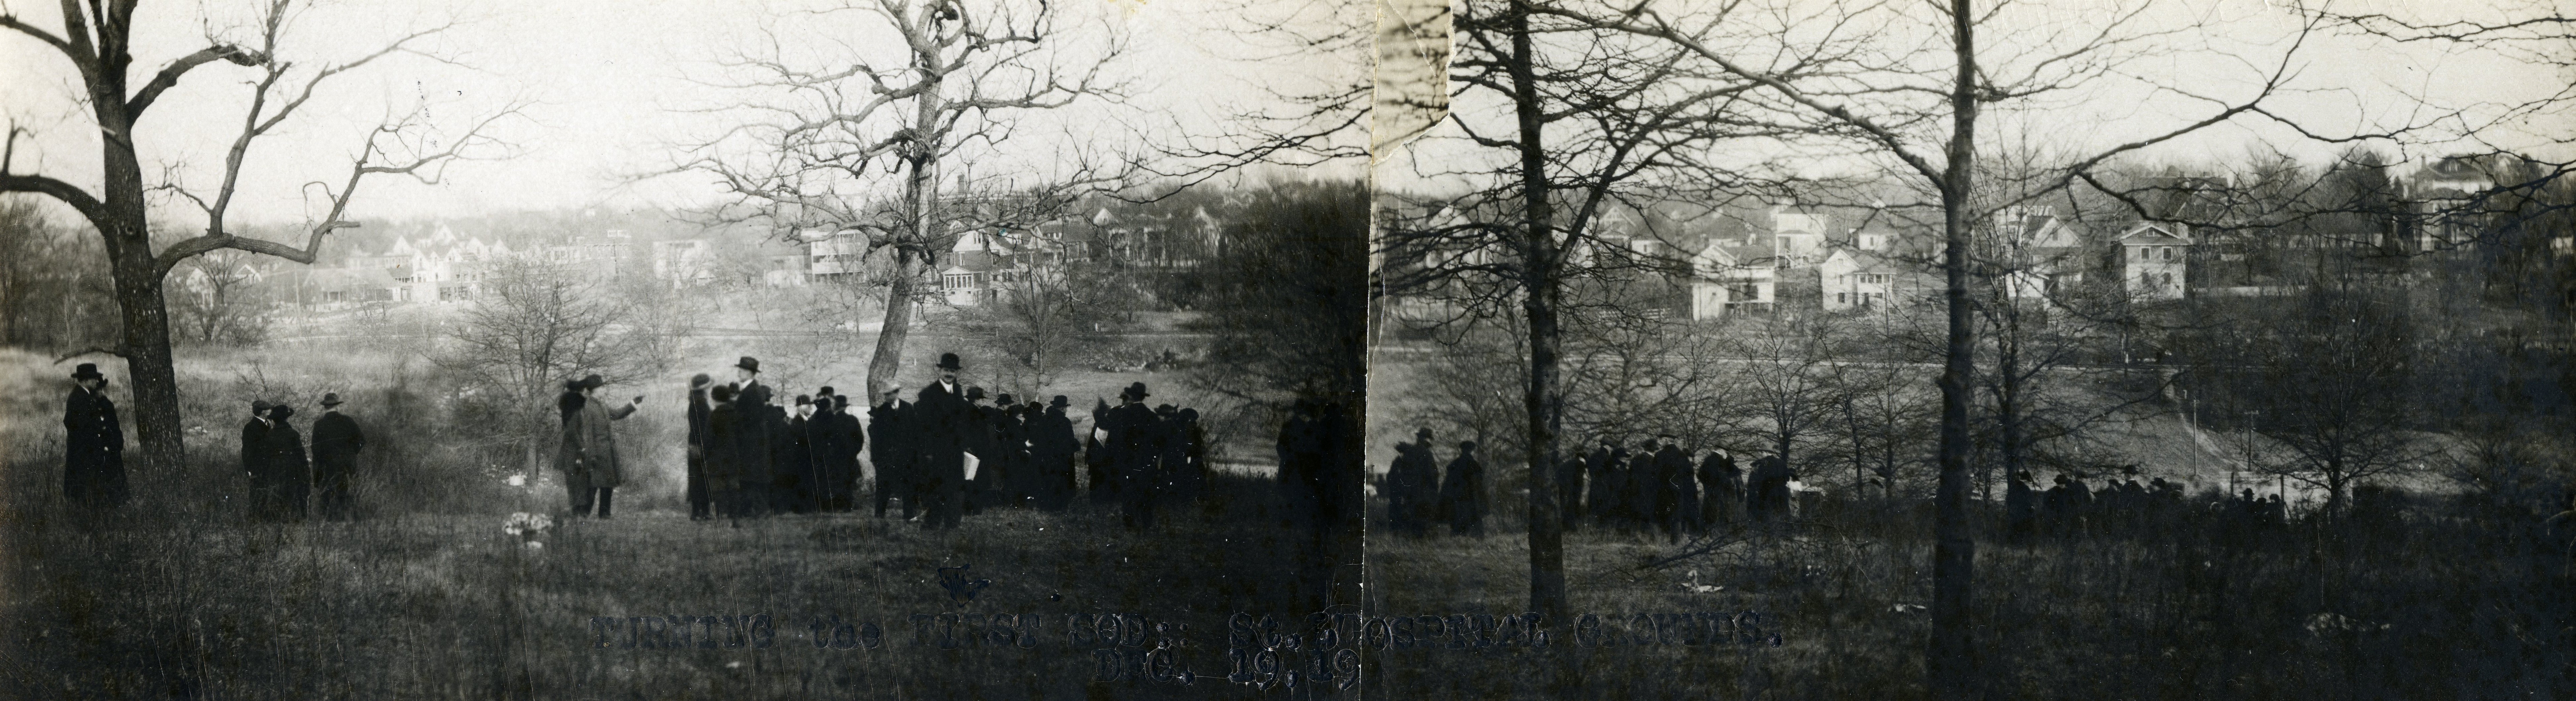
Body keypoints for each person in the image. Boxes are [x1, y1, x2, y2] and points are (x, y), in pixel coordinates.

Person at [560, 375, 640, 519]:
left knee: (608, 482)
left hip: (608, 451)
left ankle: (605, 514)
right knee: (594, 483)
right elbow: (588, 433)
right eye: (602, 387)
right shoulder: (587, 407)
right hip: (597, 451)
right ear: (596, 390)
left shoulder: (601, 405)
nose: (605, 390)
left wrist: (632, 404)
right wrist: (590, 454)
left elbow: (616, 415)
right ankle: (582, 513)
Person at [60, 363, 128, 514]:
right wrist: (101, 446)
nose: (97, 382)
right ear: (86, 380)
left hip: (90, 452)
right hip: (85, 453)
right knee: (88, 492)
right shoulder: (79, 398)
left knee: (94, 491)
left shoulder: (85, 396)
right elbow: (83, 429)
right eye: (93, 379)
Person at [915, 353, 972, 531]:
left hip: (956, 450)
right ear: (940, 371)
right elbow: (923, 427)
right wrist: (928, 451)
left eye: (953, 371)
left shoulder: (959, 391)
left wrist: (965, 444)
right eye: (947, 370)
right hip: (937, 450)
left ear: (957, 373)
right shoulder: (928, 394)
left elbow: (963, 421)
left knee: (956, 487)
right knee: (936, 487)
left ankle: (952, 524)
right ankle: (932, 523)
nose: (949, 374)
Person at [1100, 382, 1164, 530]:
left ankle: (1130, 525)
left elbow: (1114, 440)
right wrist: (1154, 457)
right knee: (1147, 494)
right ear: (1143, 397)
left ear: (1130, 396)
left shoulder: (1121, 415)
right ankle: (1146, 524)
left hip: (1127, 462)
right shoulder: (1152, 417)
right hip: (1147, 462)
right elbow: (1160, 442)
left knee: (1129, 494)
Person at [309, 393, 367, 521]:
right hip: (347, 463)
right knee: (347, 491)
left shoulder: (319, 424)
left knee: (328, 493)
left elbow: (315, 448)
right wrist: (352, 454)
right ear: (338, 407)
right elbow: (361, 440)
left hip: (328, 464)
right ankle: (349, 519)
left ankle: (330, 521)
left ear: (325, 408)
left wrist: (322, 459)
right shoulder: (348, 421)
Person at [732, 357, 777, 517]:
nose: (739, 372)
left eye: (742, 370)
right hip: (753, 441)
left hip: (751, 441)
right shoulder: (752, 390)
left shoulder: (752, 391)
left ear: (750, 373)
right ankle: (752, 510)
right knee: (751, 476)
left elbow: (751, 418)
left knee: (752, 476)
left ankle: (758, 510)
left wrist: (738, 430)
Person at [707, 384, 751, 523]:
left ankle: (719, 517)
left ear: (714, 399)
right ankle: (736, 518)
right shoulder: (736, 414)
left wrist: (705, 454)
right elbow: (743, 437)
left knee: (718, 487)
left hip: (717, 457)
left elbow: (708, 438)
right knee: (734, 486)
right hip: (734, 456)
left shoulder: (714, 415)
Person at [261, 404, 311, 523]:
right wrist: (306, 471)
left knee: (277, 495)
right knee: (293, 494)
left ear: (274, 420)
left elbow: (266, 457)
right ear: (286, 418)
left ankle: (279, 521)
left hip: (275, 468)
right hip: (292, 467)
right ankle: (294, 521)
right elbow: (301, 455)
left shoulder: (270, 435)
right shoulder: (293, 434)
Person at [1385, 429, 1440, 537]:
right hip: (1424, 490)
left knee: (1410, 511)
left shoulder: (1408, 453)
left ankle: (1408, 534)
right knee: (1424, 513)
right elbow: (1432, 474)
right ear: (1427, 440)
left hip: (1408, 489)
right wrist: (1435, 487)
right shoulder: (1427, 453)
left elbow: (1395, 472)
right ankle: (1423, 537)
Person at [868, 387, 913, 518]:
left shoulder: (908, 408)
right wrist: (876, 458)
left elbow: (915, 432)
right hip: (886, 457)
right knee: (883, 486)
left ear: (897, 393)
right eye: (885, 394)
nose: (887, 397)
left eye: (889, 394)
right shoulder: (882, 411)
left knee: (908, 486)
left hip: (906, 456)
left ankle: (909, 516)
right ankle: (879, 515)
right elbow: (876, 438)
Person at [1030, 396, 1080, 511]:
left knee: (1047, 480)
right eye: (1066, 408)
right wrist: (1076, 446)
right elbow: (1069, 441)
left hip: (1046, 456)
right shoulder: (1065, 421)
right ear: (1063, 408)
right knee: (1062, 481)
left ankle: (1045, 506)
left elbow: (1038, 438)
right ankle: (1059, 507)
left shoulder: (1044, 419)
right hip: (1062, 458)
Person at [821, 395, 866, 512]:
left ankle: (838, 505)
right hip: (850, 457)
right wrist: (854, 452)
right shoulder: (853, 420)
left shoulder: (830, 421)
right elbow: (860, 440)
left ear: (835, 406)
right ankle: (847, 506)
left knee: (836, 481)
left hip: (835, 457)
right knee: (849, 481)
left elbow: (825, 440)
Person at [1439, 441, 1488, 537]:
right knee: (1473, 519)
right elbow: (1478, 484)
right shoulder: (1474, 465)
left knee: (1458, 519)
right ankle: (1474, 538)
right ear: (1471, 451)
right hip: (1471, 497)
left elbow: (1448, 483)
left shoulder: (1455, 464)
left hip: (1457, 497)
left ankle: (1458, 538)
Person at [781, 395, 819, 514]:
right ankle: (802, 508)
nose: (811, 409)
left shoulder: (802, 421)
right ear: (801, 407)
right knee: (803, 483)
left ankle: (806, 508)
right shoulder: (798, 423)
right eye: (809, 406)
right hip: (802, 459)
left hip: (805, 459)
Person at [1654, 439, 1696, 542]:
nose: (1659, 441)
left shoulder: (1659, 455)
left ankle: (1662, 541)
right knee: (1676, 516)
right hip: (1677, 490)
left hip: (1663, 490)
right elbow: (1690, 473)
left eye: (1661, 439)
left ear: (1667, 440)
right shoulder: (1682, 455)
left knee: (1663, 514)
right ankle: (1676, 542)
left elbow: (1654, 474)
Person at [686, 374, 715, 520]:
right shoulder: (701, 403)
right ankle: (701, 512)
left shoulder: (694, 401)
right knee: (703, 477)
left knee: (697, 477)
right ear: (704, 388)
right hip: (701, 444)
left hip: (694, 443)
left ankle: (698, 511)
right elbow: (704, 427)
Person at [241, 400, 274, 520]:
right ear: (263, 412)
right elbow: (247, 451)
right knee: (257, 495)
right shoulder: (251, 427)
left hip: (268, 467)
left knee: (267, 494)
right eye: (269, 409)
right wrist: (250, 470)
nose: (271, 411)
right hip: (258, 468)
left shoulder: (268, 424)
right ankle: (256, 521)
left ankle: (266, 519)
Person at [1699, 449, 1741, 530]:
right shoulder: (1719, 461)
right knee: (1717, 517)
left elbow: (1701, 475)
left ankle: (1707, 534)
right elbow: (1729, 475)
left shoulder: (1709, 459)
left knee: (1709, 516)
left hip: (1711, 493)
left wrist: (1707, 487)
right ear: (1721, 451)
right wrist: (1729, 460)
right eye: (1726, 452)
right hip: (1718, 493)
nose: (1726, 454)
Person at [1748, 454, 1792, 522]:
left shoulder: (1765, 464)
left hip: (1769, 491)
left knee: (1768, 513)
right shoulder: (1782, 463)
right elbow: (1788, 478)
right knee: (1784, 512)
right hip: (1782, 491)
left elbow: (1761, 479)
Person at [2006, 472, 2036, 544]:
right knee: (2023, 533)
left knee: (2015, 532)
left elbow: (2008, 501)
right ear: (2026, 480)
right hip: (2024, 515)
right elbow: (2029, 502)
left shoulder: (2013, 488)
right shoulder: (2026, 489)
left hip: (2014, 514)